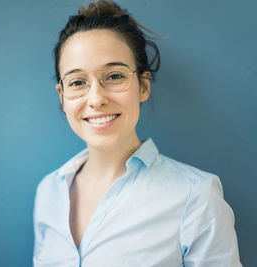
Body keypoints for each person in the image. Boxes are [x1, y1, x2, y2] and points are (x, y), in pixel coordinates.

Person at [33, 0, 242, 266]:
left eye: (115, 76)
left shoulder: (196, 196)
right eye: (77, 82)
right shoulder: (48, 192)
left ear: (143, 86)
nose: (96, 99)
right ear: (62, 97)